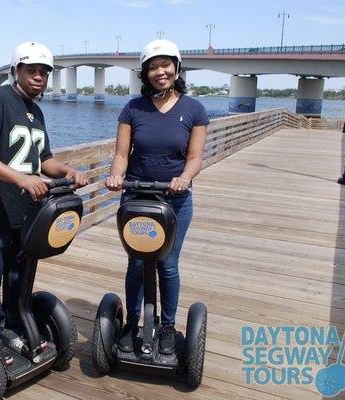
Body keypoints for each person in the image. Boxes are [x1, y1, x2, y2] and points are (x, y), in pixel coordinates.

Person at [0, 42, 88, 361]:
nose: (38, 77)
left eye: (44, 72)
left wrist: (69, 170)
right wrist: (21, 178)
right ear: (15, 70)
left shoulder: (36, 110)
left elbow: (43, 159)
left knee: (19, 282)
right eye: (31, 70)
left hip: (25, 216)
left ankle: (14, 332)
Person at [105, 39, 209, 355]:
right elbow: (122, 153)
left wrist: (184, 178)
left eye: (165, 65)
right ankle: (131, 323)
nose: (159, 72)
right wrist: (115, 176)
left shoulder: (194, 109)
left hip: (174, 200)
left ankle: (167, 326)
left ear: (176, 68)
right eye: (153, 67)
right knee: (136, 263)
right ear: (145, 73)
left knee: (167, 265)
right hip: (136, 197)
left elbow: (195, 157)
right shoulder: (132, 108)